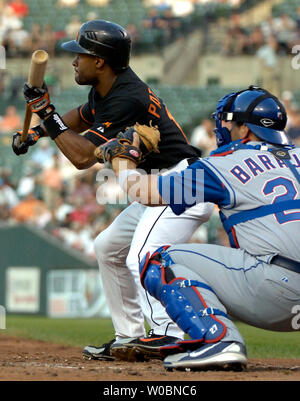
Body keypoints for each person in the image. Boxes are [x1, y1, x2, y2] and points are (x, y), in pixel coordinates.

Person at [11, 20, 214, 362]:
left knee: (142, 255)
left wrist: (46, 111)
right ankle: (129, 337)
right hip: (157, 185)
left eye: (81, 55)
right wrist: (35, 134)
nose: (74, 61)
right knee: (108, 246)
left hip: (181, 184)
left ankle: (169, 335)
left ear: (100, 61)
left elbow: (80, 157)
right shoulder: (108, 89)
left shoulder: (127, 97)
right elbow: (80, 118)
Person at [103, 86, 300, 371]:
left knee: (159, 259)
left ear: (244, 129)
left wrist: (124, 159)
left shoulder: (223, 164)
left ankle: (219, 339)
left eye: (229, 122)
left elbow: (144, 193)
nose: (223, 128)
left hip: (275, 296)